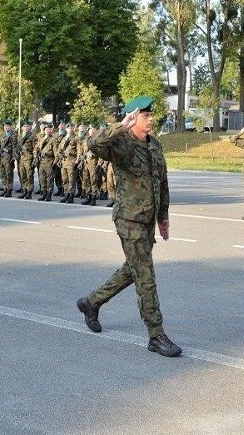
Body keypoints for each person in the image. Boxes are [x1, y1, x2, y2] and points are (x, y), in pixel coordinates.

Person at [76, 96, 180, 357]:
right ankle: (156, 335)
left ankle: (91, 302)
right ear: (134, 118)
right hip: (129, 219)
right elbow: (93, 144)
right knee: (145, 275)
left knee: (133, 270)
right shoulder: (122, 144)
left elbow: (162, 182)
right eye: (145, 116)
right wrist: (121, 125)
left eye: (150, 115)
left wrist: (163, 216)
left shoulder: (154, 145)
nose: (151, 119)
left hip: (147, 220)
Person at [36, 121, 59, 201]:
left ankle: (49, 194)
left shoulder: (53, 140)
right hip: (42, 161)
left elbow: (56, 152)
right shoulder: (41, 139)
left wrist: (55, 162)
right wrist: (36, 155)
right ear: (44, 130)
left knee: (49, 179)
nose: (48, 130)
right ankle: (44, 193)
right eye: (46, 129)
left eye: (49, 129)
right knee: (42, 178)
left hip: (49, 161)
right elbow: (37, 148)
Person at [0, 119, 18, 198]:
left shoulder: (14, 135)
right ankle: (5, 188)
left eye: (7, 126)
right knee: (3, 174)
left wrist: (13, 156)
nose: (6, 128)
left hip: (9, 158)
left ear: (10, 127)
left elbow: (15, 147)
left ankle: (9, 190)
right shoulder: (2, 135)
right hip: (2, 157)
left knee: (9, 174)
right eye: (5, 126)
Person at [17, 120, 36, 199]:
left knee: (29, 176)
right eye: (24, 126)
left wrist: (34, 158)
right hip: (21, 159)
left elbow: (35, 148)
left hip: (29, 159)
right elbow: (17, 146)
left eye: (27, 126)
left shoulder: (32, 137)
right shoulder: (20, 136)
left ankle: (29, 192)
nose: (26, 128)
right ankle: (24, 191)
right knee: (23, 175)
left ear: (30, 127)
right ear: (21, 128)